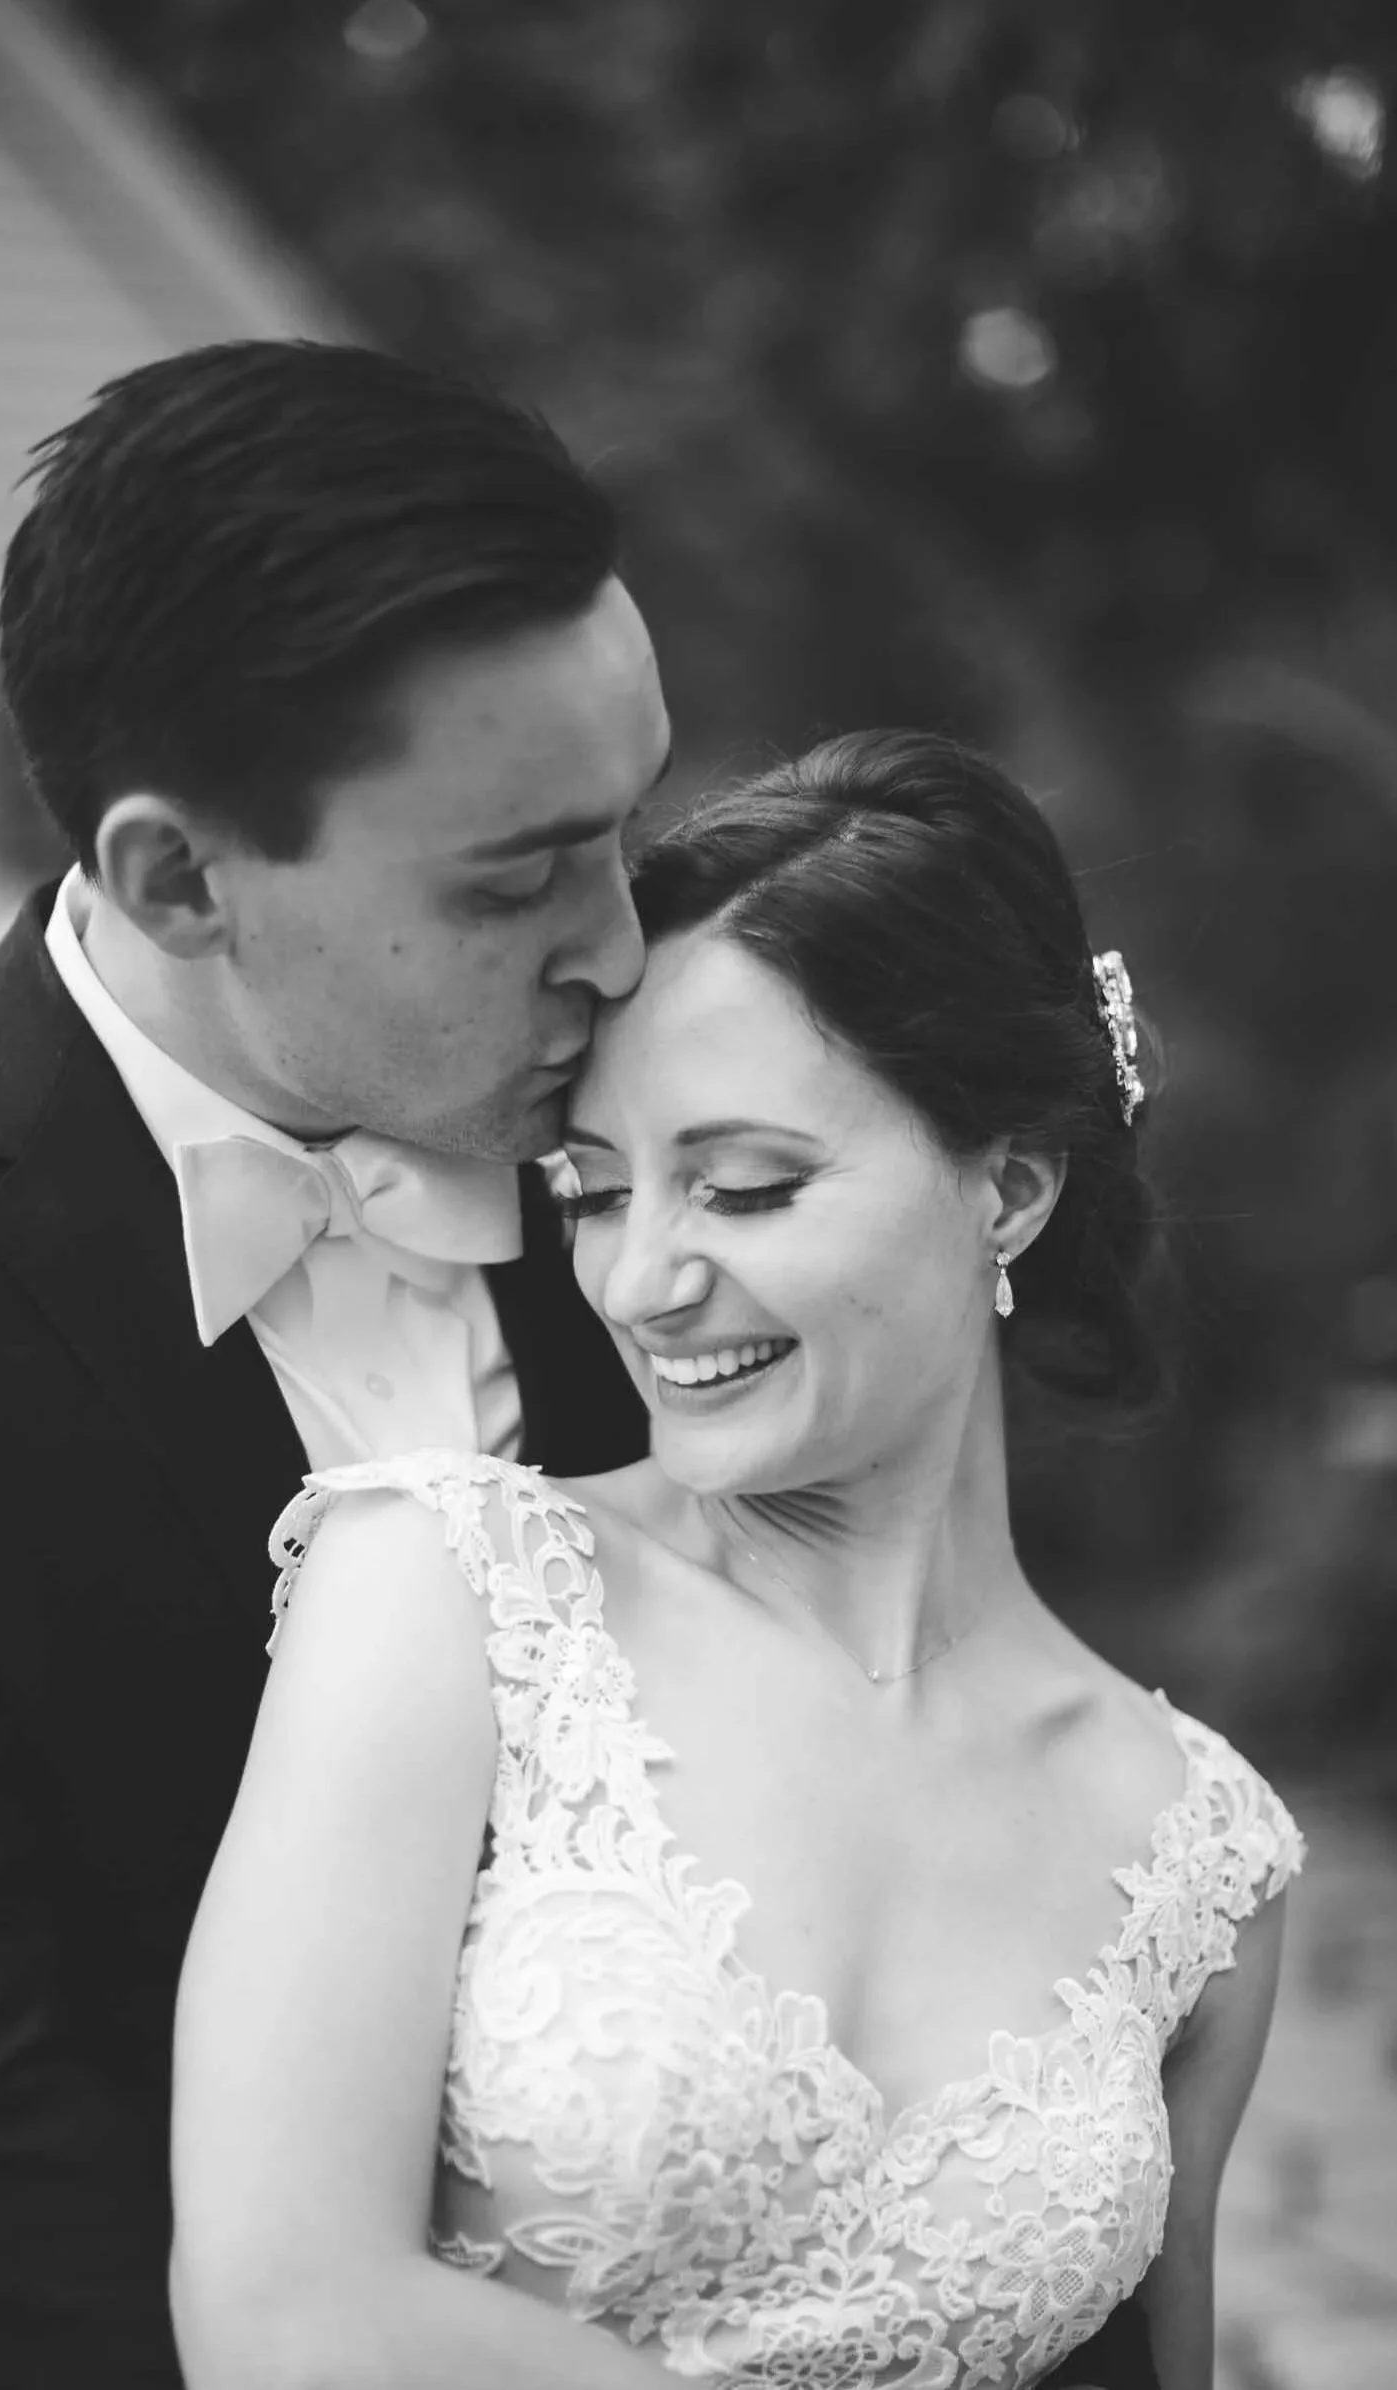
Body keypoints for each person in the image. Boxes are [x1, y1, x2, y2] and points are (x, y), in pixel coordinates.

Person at [171, 731, 1301, 2390]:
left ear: (1009, 1187)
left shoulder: (1199, 1853)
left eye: (745, 1188)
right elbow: (282, 2315)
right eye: (594, 1191)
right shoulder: (449, 1592)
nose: (638, 1280)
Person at [0, 340, 667, 2389]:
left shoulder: (688, 1140)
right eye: (515, 878)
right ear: (176, 878)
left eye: (628, 827)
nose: (625, 947)